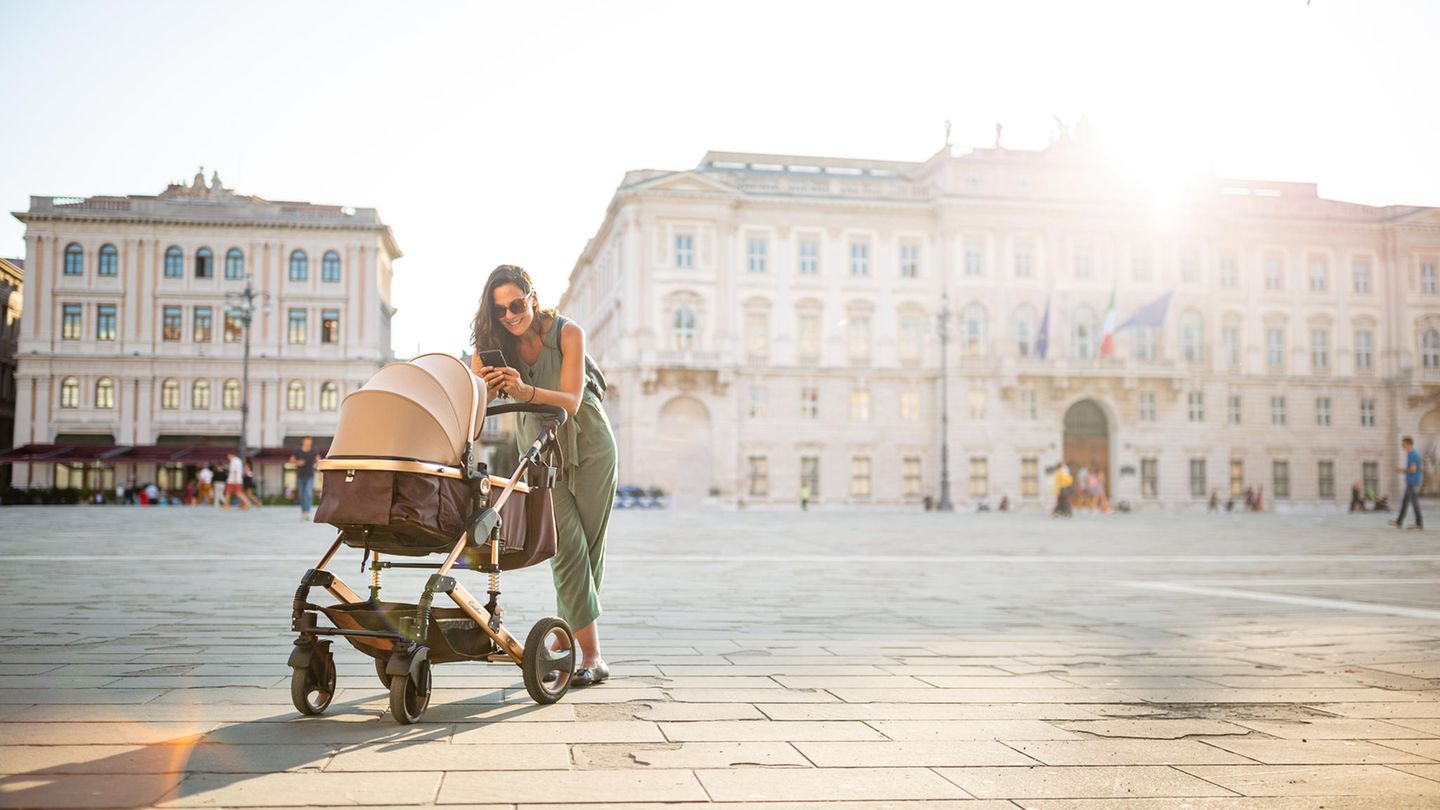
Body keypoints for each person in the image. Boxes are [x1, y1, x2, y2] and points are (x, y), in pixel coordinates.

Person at [471, 264, 617, 687]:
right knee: (565, 547)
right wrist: (486, 383)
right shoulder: (491, 343)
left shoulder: (568, 333)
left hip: (590, 443)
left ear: (532, 296)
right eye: (500, 310)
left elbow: (570, 401)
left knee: (589, 549)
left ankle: (575, 647)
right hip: (539, 451)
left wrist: (523, 390)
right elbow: (478, 399)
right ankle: (590, 655)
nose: (511, 315)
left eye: (517, 304)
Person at [1390, 436, 1424, 531]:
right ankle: (1399, 522)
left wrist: (1399, 469)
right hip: (1412, 482)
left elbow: (1413, 469)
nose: (1402, 446)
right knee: (1405, 503)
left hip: (1412, 483)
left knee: (1414, 503)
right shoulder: (1414, 454)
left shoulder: (1412, 454)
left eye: (1403, 444)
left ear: (1408, 444)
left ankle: (1419, 523)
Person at [288, 437, 319, 521]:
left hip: (310, 476)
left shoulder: (314, 451)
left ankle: (307, 512)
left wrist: (321, 473)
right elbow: (291, 460)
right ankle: (303, 512)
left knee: (308, 493)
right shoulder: (298, 450)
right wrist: (298, 462)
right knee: (301, 495)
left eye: (310, 441)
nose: (308, 442)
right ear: (303, 441)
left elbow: (318, 461)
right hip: (300, 476)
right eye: (307, 440)